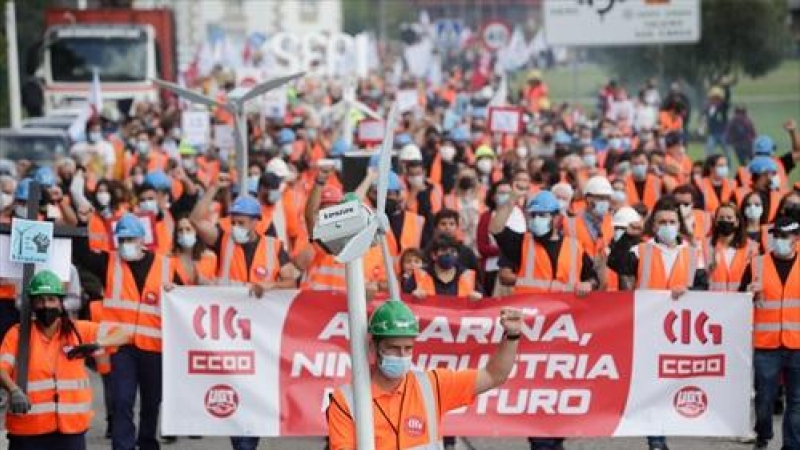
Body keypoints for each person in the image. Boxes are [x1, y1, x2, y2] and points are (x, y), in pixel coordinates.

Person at [327, 300, 523, 450]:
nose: (402, 356)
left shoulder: (432, 385)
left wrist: (512, 336)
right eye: (394, 349)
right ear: (373, 347)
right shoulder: (346, 401)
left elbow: (494, 375)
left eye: (408, 348)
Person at [71, 213, 175, 450]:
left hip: (154, 347)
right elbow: (81, 253)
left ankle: (147, 442)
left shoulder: (167, 266)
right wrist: (82, 221)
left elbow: (184, 299)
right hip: (120, 346)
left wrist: (175, 289)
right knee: (122, 400)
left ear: (142, 240)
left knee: (151, 402)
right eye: (121, 240)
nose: (125, 245)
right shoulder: (110, 262)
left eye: (130, 239)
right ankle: (123, 446)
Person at [0, 270, 129, 450]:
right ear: (32, 304)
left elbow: (123, 334)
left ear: (61, 304)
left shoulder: (78, 331)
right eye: (40, 300)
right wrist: (13, 391)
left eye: (52, 299)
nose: (46, 306)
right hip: (28, 430)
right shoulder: (18, 334)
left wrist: (98, 344)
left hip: (70, 431)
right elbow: (1, 368)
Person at [738, 215, 800, 450]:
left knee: (796, 402)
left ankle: (792, 446)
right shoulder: (757, 264)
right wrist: (748, 291)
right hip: (767, 345)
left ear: (796, 238)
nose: (779, 241)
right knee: (764, 400)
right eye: (776, 236)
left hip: (797, 345)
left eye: (784, 236)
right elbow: (739, 298)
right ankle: (763, 435)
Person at [705, 203, 758, 292]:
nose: (725, 220)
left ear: (737, 222)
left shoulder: (752, 247)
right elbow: (698, 279)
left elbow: (756, 278)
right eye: (721, 218)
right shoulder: (705, 245)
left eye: (729, 218)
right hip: (713, 302)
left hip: (739, 301)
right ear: (716, 222)